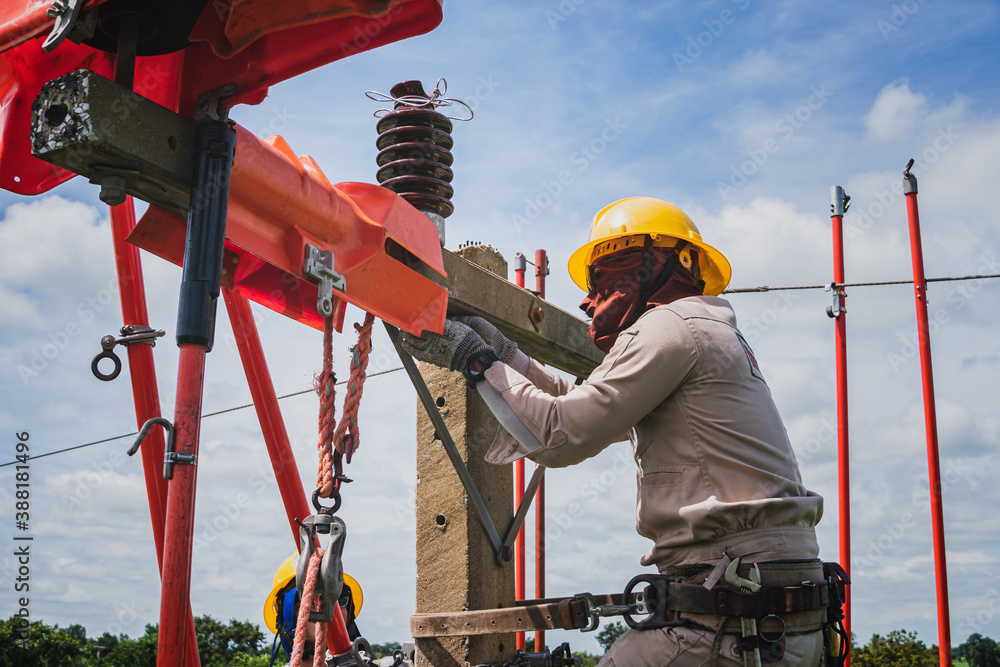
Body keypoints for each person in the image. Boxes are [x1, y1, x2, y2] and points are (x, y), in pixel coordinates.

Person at [401, 197, 843, 666]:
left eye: (603, 275)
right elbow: (581, 403)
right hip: (769, 615)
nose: (587, 299)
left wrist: (477, 361)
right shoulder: (703, 330)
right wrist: (508, 355)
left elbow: (561, 434)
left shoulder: (668, 327)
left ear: (657, 266)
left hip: (730, 618)